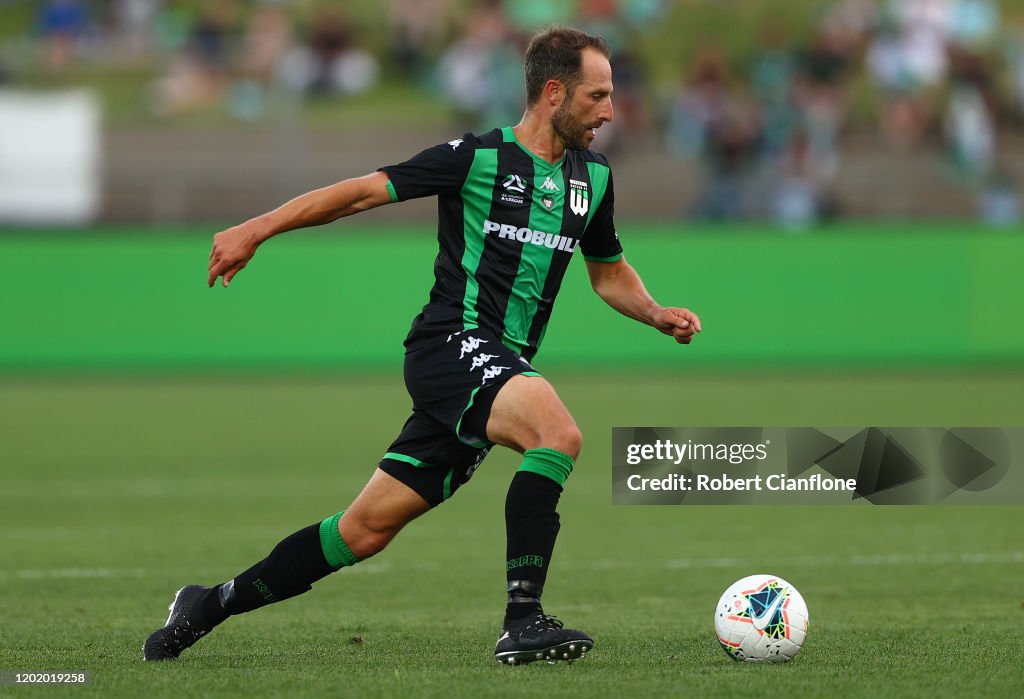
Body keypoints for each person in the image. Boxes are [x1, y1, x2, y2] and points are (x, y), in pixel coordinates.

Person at [143, 26, 701, 667]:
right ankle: (523, 621)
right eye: (598, 95)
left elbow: (607, 272)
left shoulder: (593, 179)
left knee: (363, 531)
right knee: (557, 434)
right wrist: (258, 228)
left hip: (497, 369)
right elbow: (359, 192)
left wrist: (656, 313)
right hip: (451, 345)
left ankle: (206, 605)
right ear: (554, 92)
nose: (610, 109)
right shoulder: (476, 158)